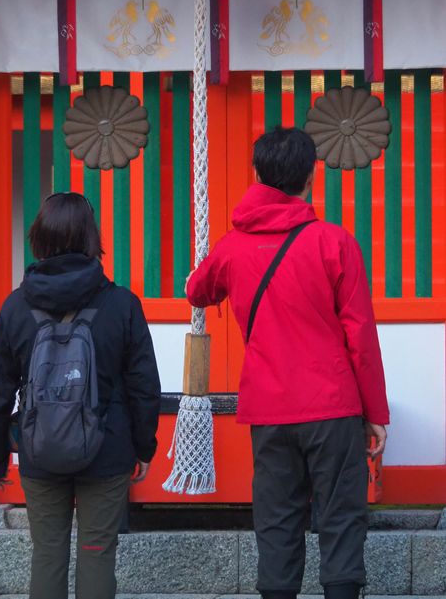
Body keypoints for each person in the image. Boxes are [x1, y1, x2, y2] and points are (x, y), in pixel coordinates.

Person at [186, 127, 389, 599]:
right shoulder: (334, 242)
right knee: (341, 517)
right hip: (332, 407)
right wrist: (375, 414)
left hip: (270, 409)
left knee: (276, 521)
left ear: (257, 174)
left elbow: (198, 290)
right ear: (311, 176)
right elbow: (360, 336)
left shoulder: (233, 246)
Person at [0, 192, 161, 599]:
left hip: (40, 449)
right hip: (108, 449)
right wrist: (143, 448)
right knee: (97, 552)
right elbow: (144, 386)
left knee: (47, 554)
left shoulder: (15, 308)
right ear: (90, 237)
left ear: (39, 238)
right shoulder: (121, 304)